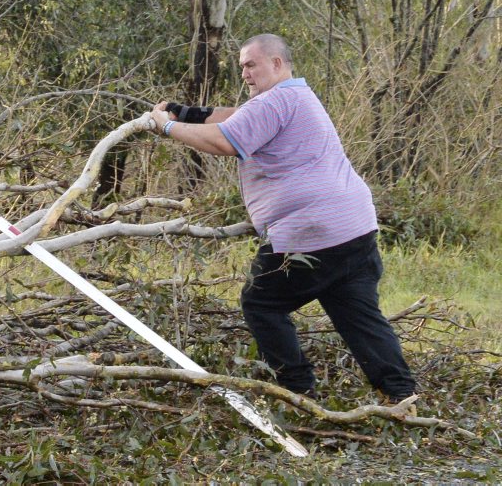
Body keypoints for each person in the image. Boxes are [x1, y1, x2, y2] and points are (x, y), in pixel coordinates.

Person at [151, 33, 416, 403]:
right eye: (242, 65)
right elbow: (239, 117)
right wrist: (188, 113)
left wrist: (166, 126)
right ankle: (401, 394)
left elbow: (225, 140)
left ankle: (296, 391)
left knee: (261, 303)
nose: (244, 72)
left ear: (277, 63)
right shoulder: (294, 96)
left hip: (311, 233)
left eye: (251, 64)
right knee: (358, 316)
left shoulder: (278, 100)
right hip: (354, 227)